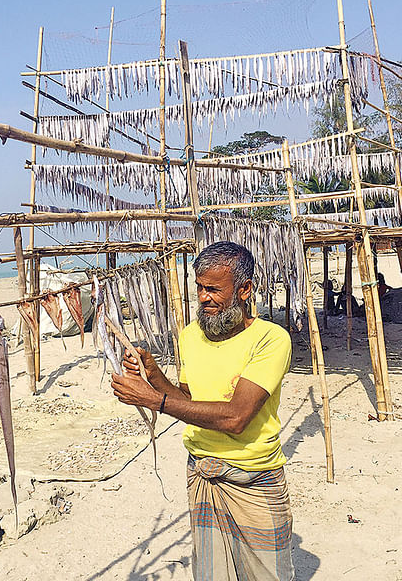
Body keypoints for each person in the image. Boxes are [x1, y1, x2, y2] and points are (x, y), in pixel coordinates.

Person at [110, 241, 294, 581]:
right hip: (203, 473)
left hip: (254, 478)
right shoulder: (190, 336)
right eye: (199, 288)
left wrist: (152, 400)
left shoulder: (271, 339)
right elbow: (188, 401)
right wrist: (154, 377)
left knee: (270, 575)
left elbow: (236, 418)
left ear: (244, 290)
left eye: (213, 289)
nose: (204, 298)